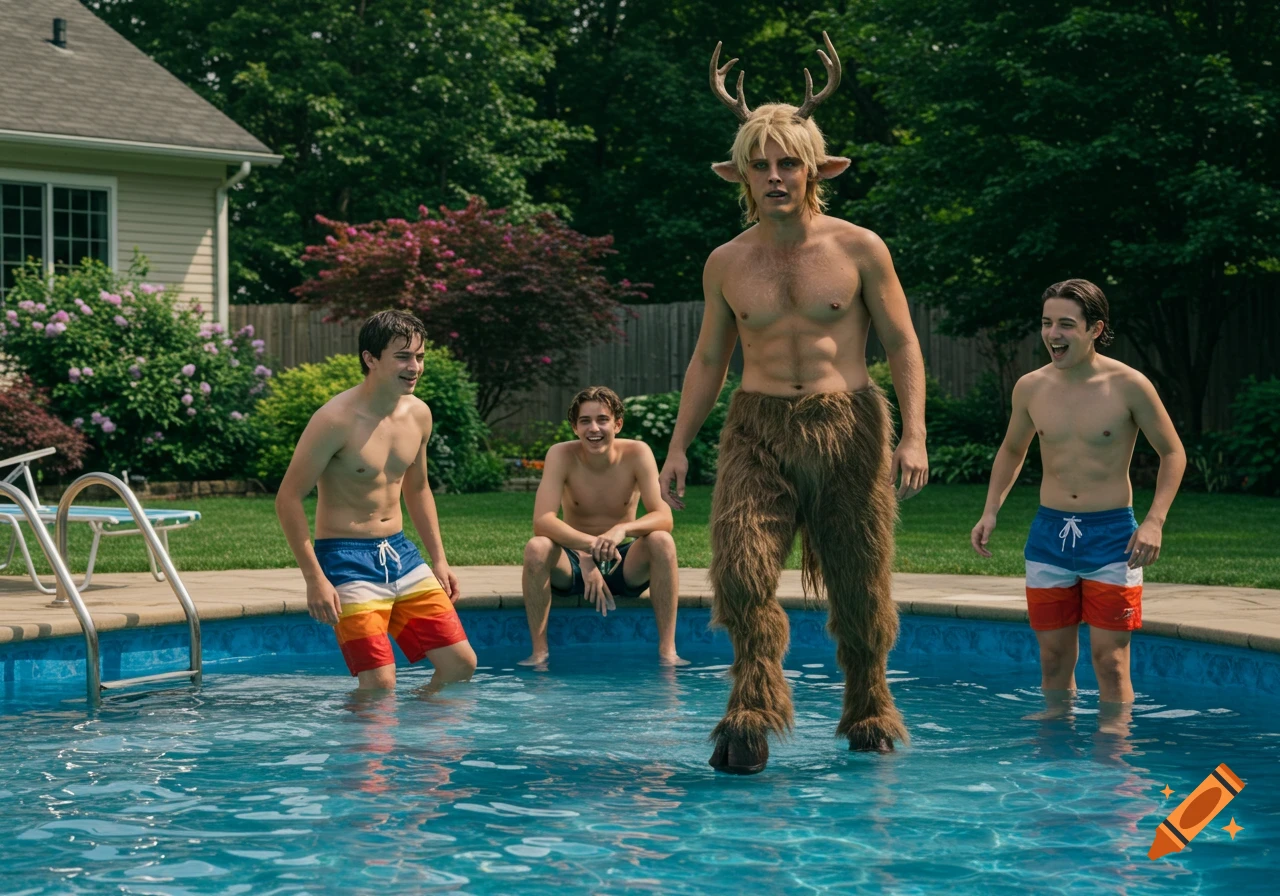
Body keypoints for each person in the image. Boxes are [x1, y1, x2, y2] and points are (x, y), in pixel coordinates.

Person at [656, 33, 930, 774]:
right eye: (760, 164)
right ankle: (750, 712)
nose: (775, 176)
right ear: (739, 174)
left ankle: (869, 706)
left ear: (817, 169)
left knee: (860, 579)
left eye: (789, 162)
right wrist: (678, 445)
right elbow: (710, 359)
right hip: (757, 428)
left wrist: (914, 436)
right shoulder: (726, 262)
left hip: (850, 427)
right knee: (740, 572)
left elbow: (902, 344)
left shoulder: (860, 247)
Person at [971, 279, 1186, 707]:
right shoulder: (1031, 387)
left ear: (1094, 328)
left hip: (1112, 539)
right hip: (1049, 535)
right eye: (1047, 323)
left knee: (1111, 662)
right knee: (1052, 659)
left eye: (1066, 324)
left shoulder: (1129, 385)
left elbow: (1173, 452)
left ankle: (1115, 760)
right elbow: (1013, 449)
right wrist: (990, 510)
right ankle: (1057, 756)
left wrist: (1154, 522)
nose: (1053, 334)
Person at [275, 310, 477, 692]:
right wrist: (314, 578)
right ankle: (364, 751)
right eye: (402, 356)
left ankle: (418, 741)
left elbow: (417, 489)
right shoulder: (335, 420)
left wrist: (439, 559)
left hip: (401, 553)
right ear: (370, 359)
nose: (414, 366)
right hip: (346, 558)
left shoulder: (419, 415)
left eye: (419, 356)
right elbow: (288, 499)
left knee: (460, 664)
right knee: (380, 683)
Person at [522, 386, 684, 666]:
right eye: (585, 421)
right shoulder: (560, 455)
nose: (593, 428)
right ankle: (540, 653)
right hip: (574, 560)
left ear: (617, 424)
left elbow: (663, 517)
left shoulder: (637, 453)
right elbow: (543, 521)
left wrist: (620, 531)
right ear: (574, 427)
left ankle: (667, 652)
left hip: (624, 560)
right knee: (537, 548)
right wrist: (587, 554)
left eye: (602, 420)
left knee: (662, 541)